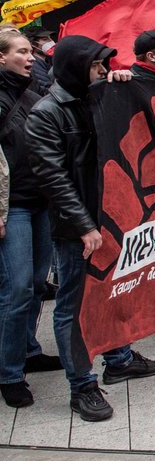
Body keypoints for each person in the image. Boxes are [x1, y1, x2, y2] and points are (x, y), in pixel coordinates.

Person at [25, 35, 155, 422]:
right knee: (74, 307)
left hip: (112, 217)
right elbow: (53, 178)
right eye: (96, 65)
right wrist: (85, 226)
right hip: (79, 228)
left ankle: (119, 359)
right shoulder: (46, 113)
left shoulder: (98, 95)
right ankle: (82, 387)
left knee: (113, 291)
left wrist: (124, 87)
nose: (103, 70)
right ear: (75, 67)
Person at [0, 31, 61, 409]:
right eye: (22, 52)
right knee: (17, 288)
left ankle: (28, 351)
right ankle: (9, 374)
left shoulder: (33, 94)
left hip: (40, 204)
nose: (30, 57)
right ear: (1, 57)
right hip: (13, 209)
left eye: (30, 51)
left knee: (37, 284)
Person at [22, 28, 54, 95]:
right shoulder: (33, 65)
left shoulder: (49, 60)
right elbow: (48, 89)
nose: (51, 41)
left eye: (50, 38)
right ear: (33, 44)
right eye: (45, 39)